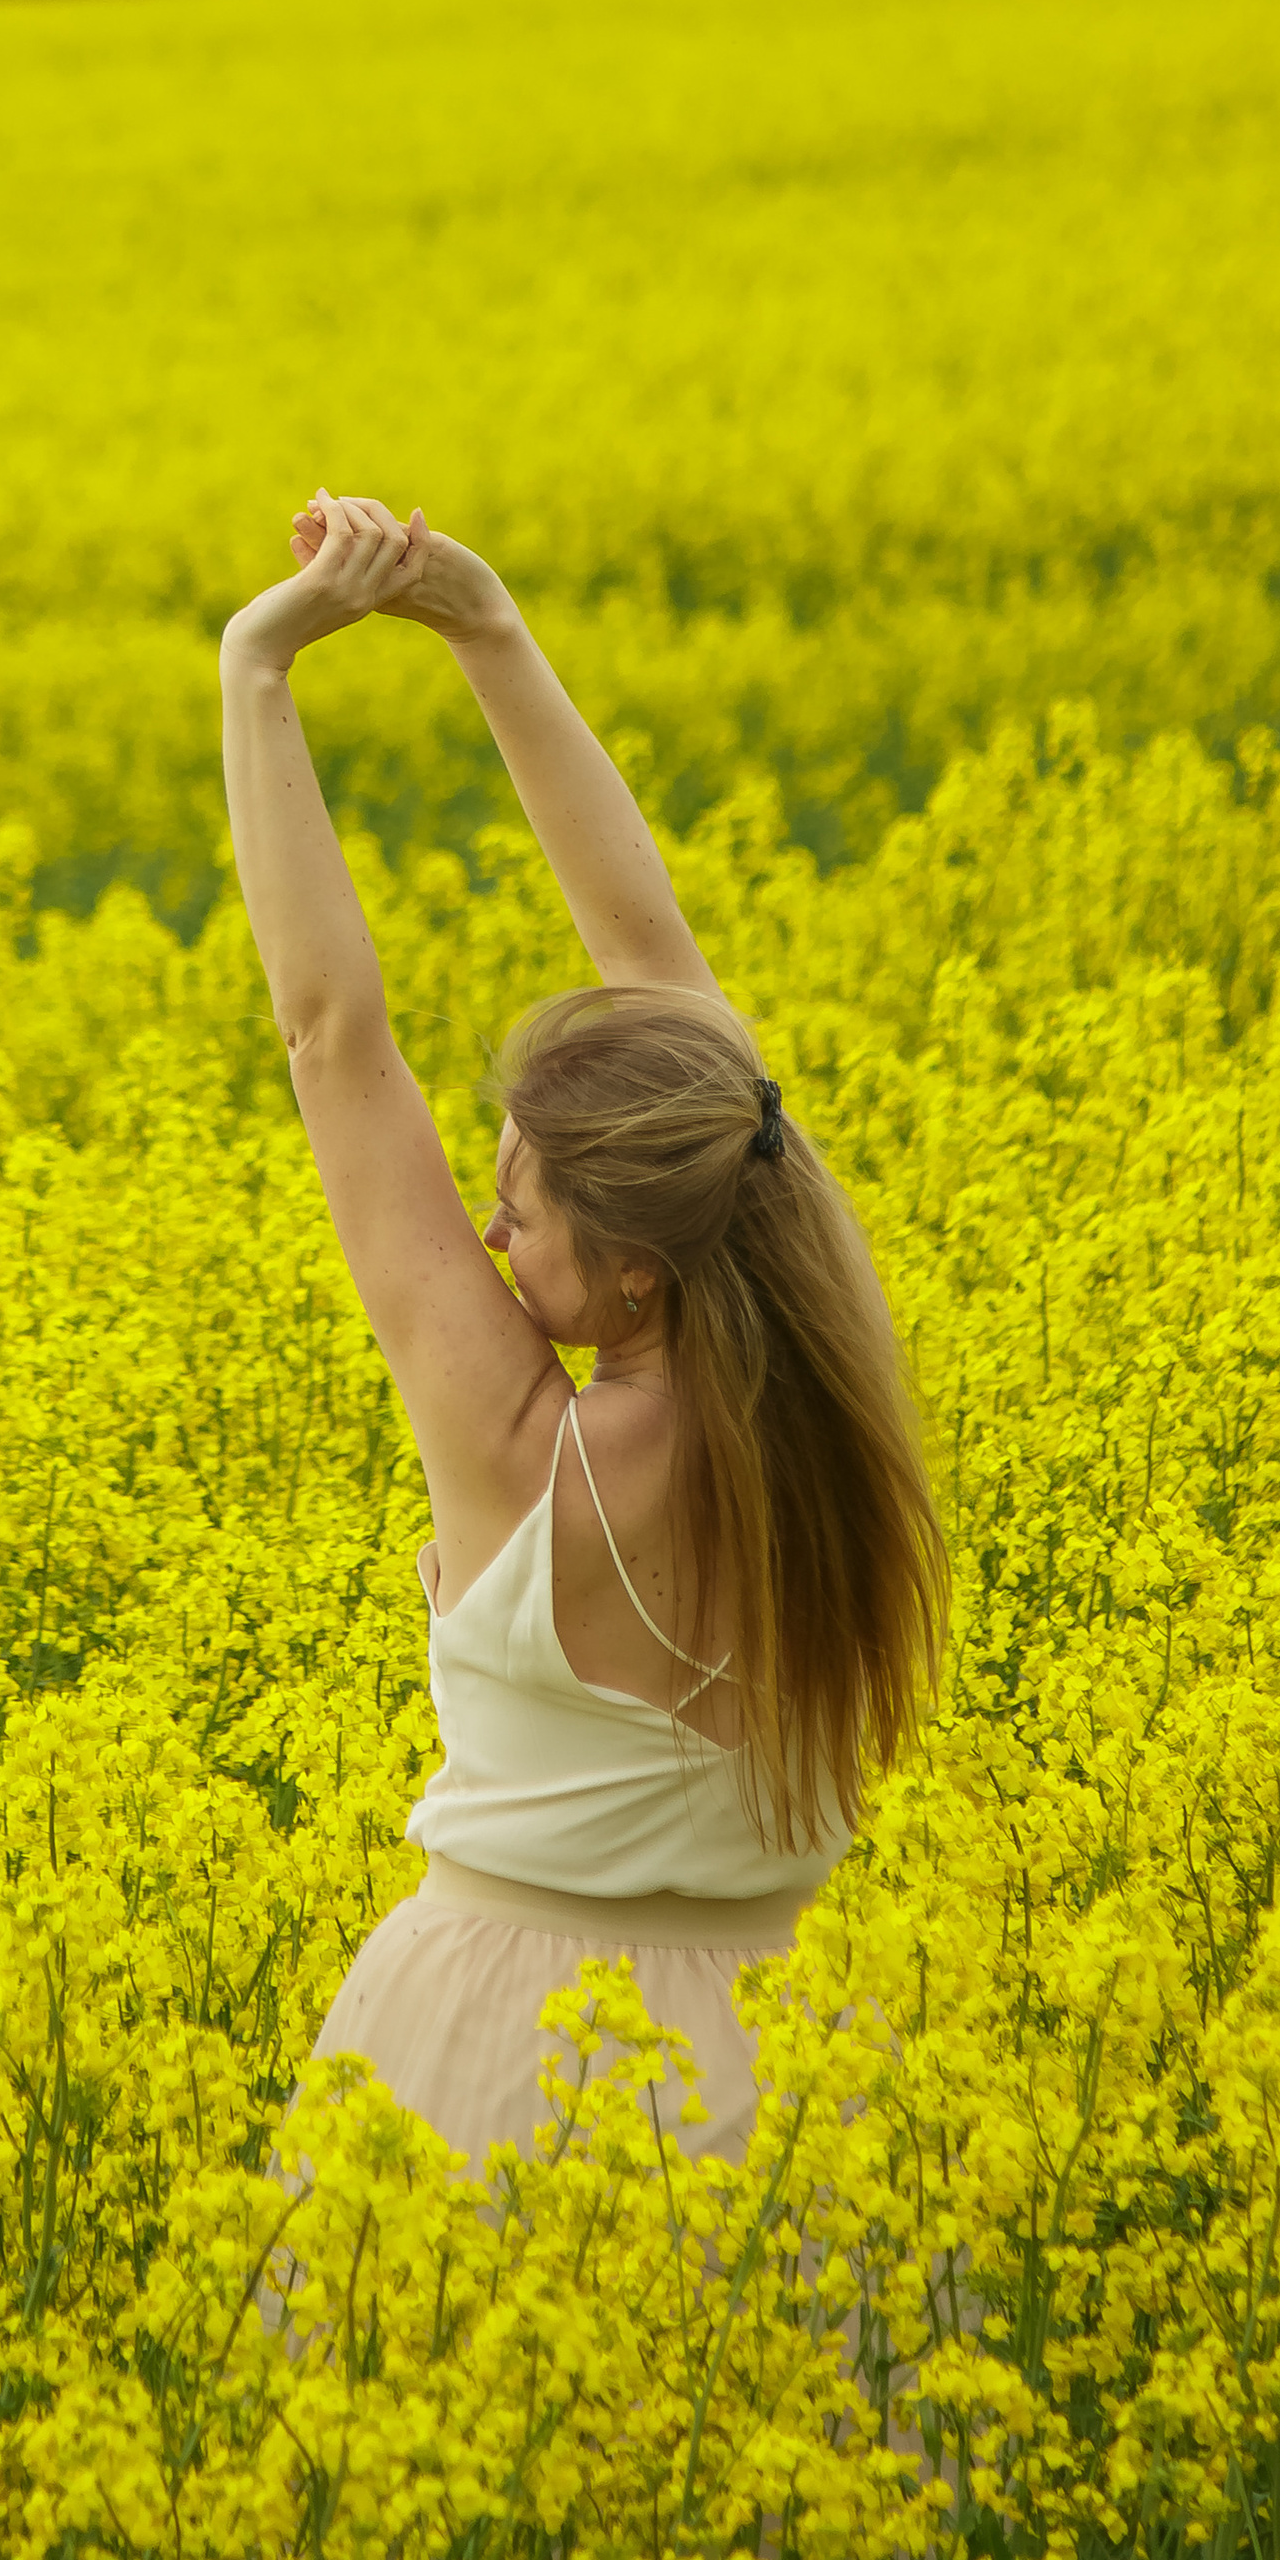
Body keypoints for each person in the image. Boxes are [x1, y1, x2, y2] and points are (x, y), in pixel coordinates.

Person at [221, 490, 947, 2180]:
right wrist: (488, 630)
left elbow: (331, 1034)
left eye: (523, 1214)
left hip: (500, 2052)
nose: (488, 1236)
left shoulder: (524, 1458)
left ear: (638, 1282)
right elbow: (657, 968)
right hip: (802, 2071)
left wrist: (261, 671)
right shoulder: (815, 1341)